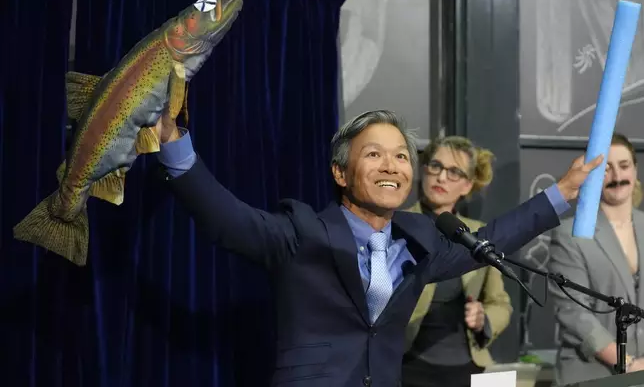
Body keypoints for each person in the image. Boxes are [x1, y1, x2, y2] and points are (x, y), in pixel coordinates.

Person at [154, 108, 600, 387]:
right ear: (341, 173)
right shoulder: (301, 232)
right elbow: (226, 219)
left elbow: (490, 240)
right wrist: (175, 145)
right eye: (374, 155)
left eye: (402, 156)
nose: (391, 165)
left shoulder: (421, 240)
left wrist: (560, 192)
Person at [401, 136, 511, 387]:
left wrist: (484, 318)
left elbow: (500, 303)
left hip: (470, 370)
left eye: (454, 172)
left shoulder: (479, 235)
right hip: (406, 367)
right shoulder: (397, 224)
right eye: (436, 166)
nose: (441, 178)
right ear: (424, 170)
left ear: (467, 185)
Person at [548, 133, 644, 386]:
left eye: (624, 166)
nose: (617, 177)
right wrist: (627, 363)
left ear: (635, 170)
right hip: (591, 374)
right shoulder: (570, 234)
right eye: (606, 169)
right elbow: (572, 310)